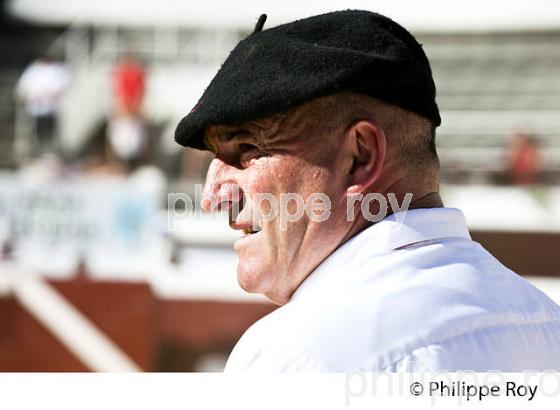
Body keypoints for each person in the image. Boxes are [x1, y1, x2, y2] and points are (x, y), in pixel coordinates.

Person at [174, 11, 560, 372]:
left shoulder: (294, 355)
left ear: (361, 156)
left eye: (246, 149)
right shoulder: (546, 323)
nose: (212, 195)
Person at [15, 54, 70, 155]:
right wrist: (34, 95)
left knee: (53, 129)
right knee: (38, 129)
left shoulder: (58, 69)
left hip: (53, 106)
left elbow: (63, 84)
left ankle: (52, 149)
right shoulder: (34, 69)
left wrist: (52, 93)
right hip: (37, 106)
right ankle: (39, 148)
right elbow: (25, 86)